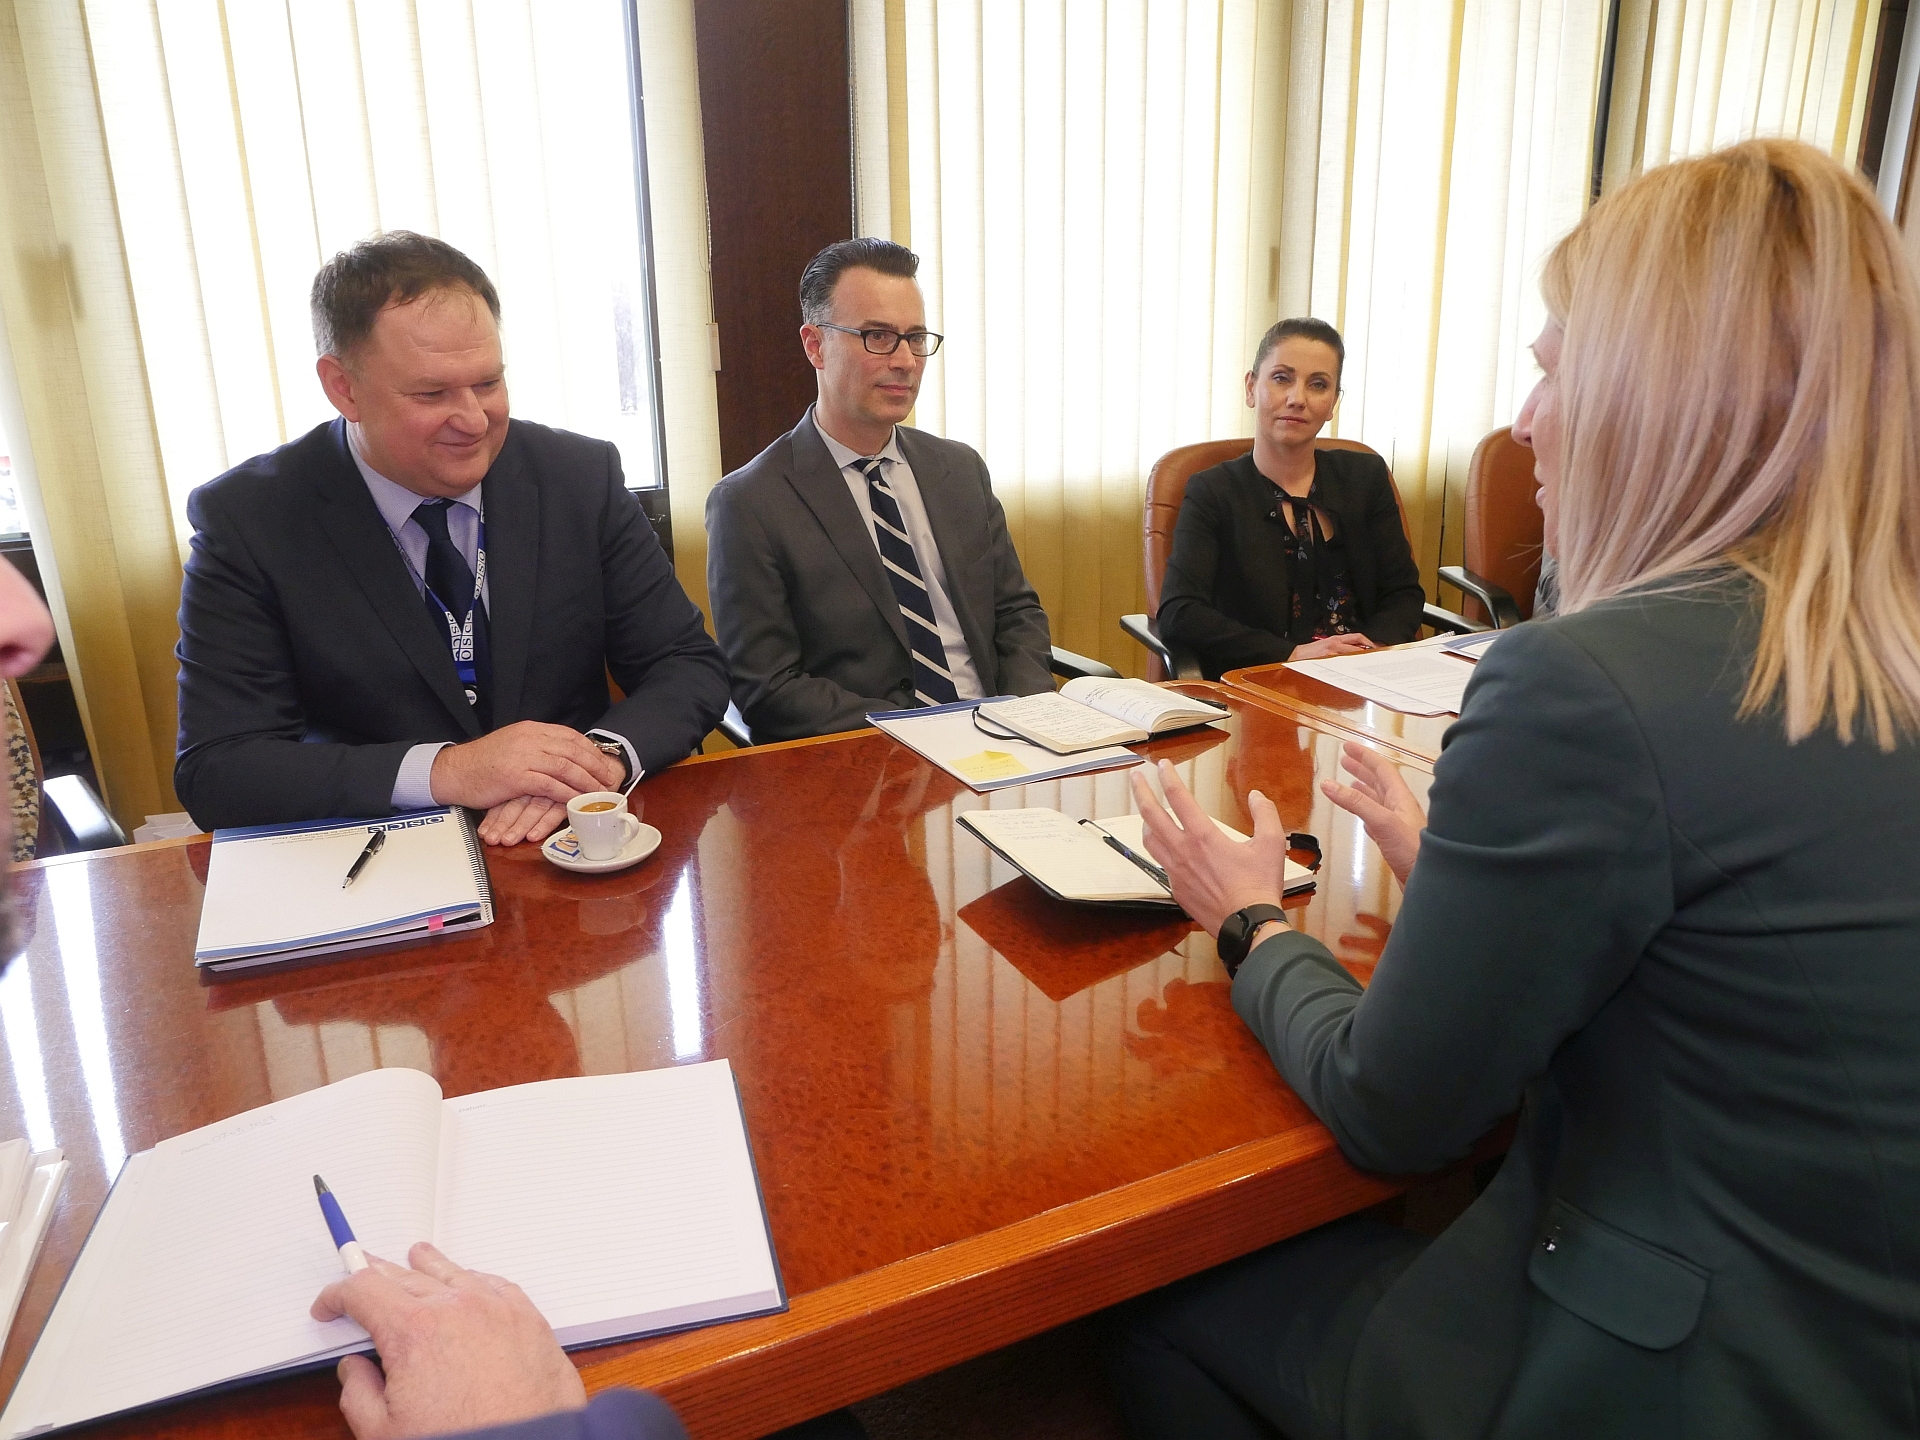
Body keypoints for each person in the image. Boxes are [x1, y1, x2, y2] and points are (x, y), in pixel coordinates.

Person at [1115, 138, 1920, 1438]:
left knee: (1156, 1301)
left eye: (1551, 369)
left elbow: (1392, 1114)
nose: (1526, 422)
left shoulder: (1587, 685)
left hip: (1684, 1376)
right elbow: (1749, 953)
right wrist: (1463, 878)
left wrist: (1249, 921)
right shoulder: (1872, 645)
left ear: (1659, 397)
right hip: (1861, 1341)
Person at [175, 232, 729, 845]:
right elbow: (218, 769)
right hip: (378, 857)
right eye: (431, 393)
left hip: (572, 844)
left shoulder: (577, 477)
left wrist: (589, 765)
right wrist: (450, 771)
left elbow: (685, 665)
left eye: (488, 383)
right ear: (343, 387)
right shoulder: (251, 519)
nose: (472, 421)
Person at [704, 238, 1053, 742]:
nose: (906, 360)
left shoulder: (959, 470)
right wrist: (928, 732)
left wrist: (1023, 717)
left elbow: (1016, 614)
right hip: (872, 751)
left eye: (916, 338)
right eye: (879, 337)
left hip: (1001, 737)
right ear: (815, 346)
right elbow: (769, 687)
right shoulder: (750, 503)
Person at [1156, 318, 1425, 679]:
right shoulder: (1213, 491)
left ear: (1333, 403)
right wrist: (1292, 654)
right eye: (1282, 378)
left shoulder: (1366, 477)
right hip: (1264, 680)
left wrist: (1368, 653)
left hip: (1366, 681)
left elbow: (1403, 593)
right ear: (1251, 388)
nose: (1297, 399)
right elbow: (1180, 611)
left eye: (1318, 384)